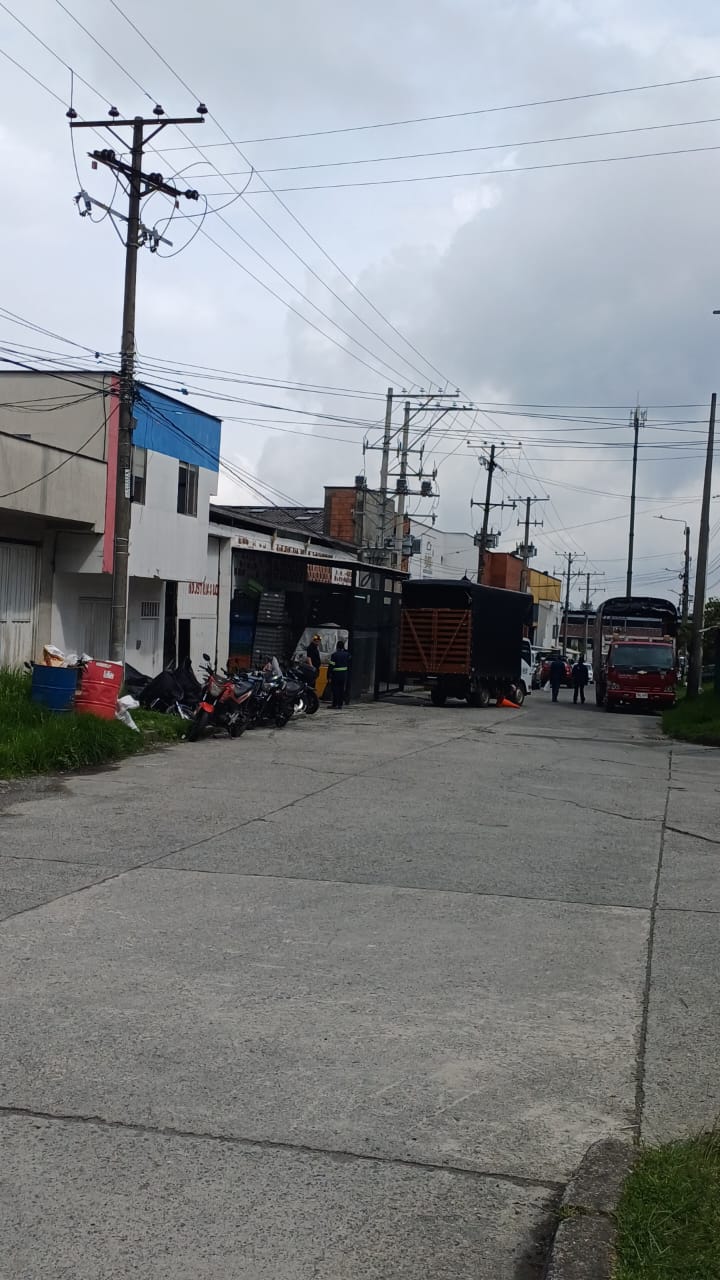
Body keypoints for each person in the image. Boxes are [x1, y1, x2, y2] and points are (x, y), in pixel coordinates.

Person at [327, 638, 350, 709]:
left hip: (336, 675)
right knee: (341, 689)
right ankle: (340, 704)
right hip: (344, 675)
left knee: (335, 690)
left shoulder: (334, 655)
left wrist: (328, 676)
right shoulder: (347, 654)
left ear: (337, 647)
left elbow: (331, 666)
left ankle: (334, 704)